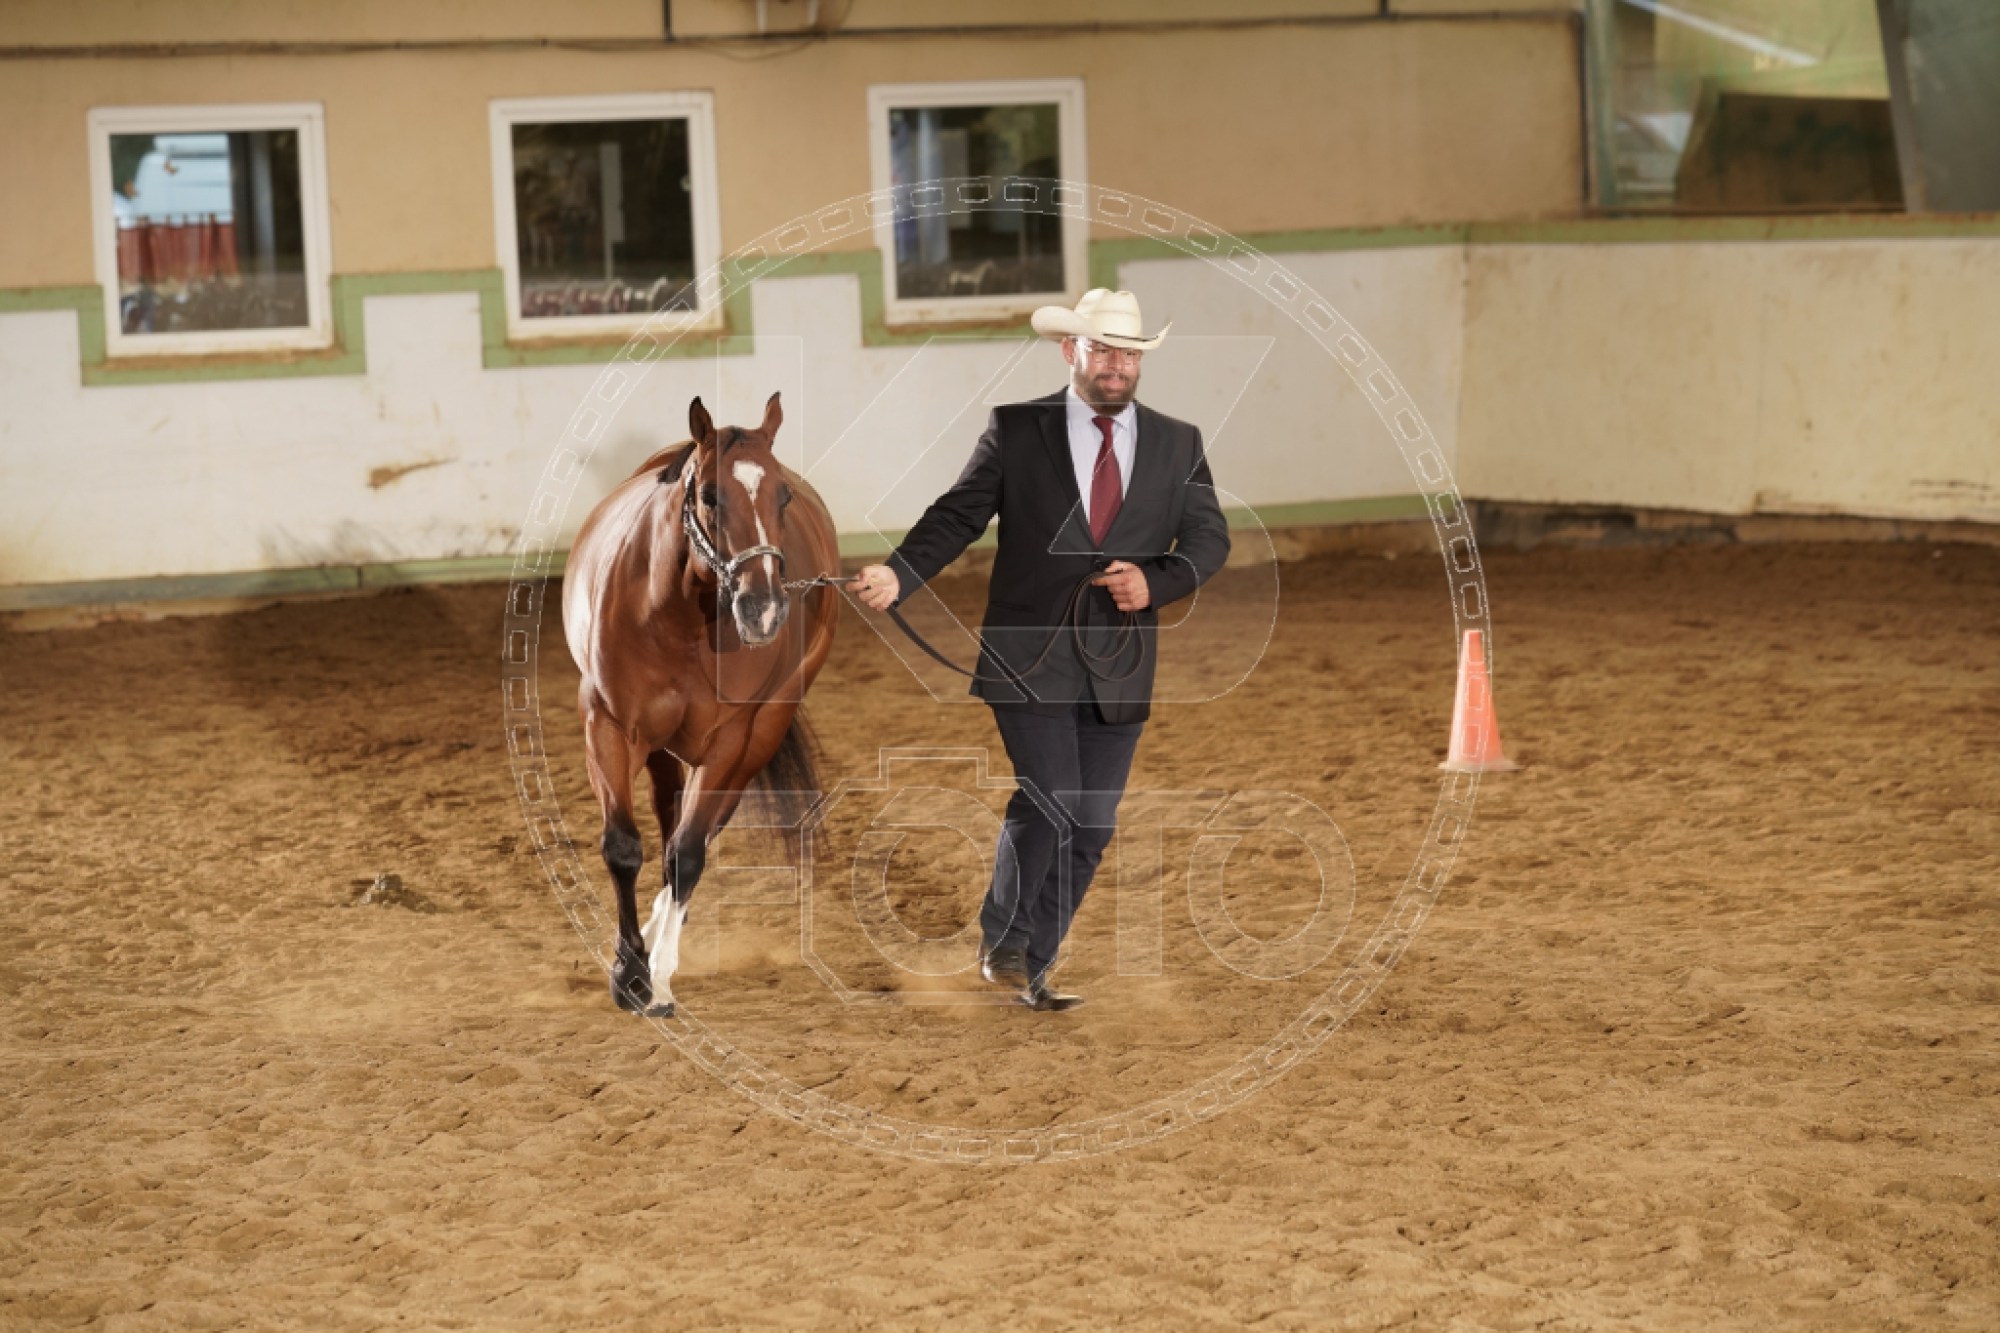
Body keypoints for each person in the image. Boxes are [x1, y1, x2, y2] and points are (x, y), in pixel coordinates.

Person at [848, 288, 1231, 1011]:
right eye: (1102, 350)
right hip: (1028, 652)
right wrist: (899, 574)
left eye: (1129, 354)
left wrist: (1156, 582)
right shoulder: (1018, 429)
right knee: (1051, 797)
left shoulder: (1179, 441)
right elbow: (958, 515)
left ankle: (1032, 963)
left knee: (1091, 825)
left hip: (1120, 659)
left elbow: (1209, 538)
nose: (1116, 365)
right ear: (1069, 351)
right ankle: (1005, 940)